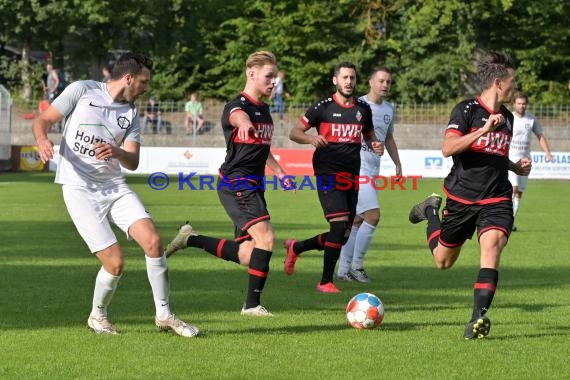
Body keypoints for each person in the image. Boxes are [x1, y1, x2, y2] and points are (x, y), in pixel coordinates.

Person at [32, 52, 199, 337]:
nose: (146, 88)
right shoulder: (82, 90)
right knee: (116, 263)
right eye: (144, 82)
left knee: (154, 242)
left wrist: (118, 151)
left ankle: (164, 315)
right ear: (129, 78)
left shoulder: (131, 114)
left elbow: (132, 161)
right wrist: (42, 138)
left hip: (114, 187)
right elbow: (43, 120)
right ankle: (98, 316)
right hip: (79, 190)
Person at [407, 51, 532, 339]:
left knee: (492, 248)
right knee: (442, 261)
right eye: (513, 81)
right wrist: (483, 129)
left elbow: (495, 154)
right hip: (462, 197)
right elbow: (448, 148)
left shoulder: (509, 118)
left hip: (497, 197)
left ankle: (478, 319)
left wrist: (515, 166)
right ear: (499, 83)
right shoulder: (467, 110)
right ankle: (429, 210)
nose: (516, 87)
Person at [164, 51, 293, 316]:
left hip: (253, 185)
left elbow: (262, 148)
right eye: (269, 77)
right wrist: (243, 123)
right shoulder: (238, 106)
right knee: (267, 238)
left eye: (275, 78)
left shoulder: (264, 110)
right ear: (251, 74)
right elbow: (237, 116)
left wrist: (280, 172)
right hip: (237, 184)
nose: (273, 83)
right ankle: (252, 305)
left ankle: (191, 238)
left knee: (248, 254)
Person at [283, 62, 384, 293]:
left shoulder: (362, 108)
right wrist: (311, 139)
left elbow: (369, 134)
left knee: (344, 234)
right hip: (327, 172)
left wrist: (375, 144)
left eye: (352, 78)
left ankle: (296, 247)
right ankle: (325, 282)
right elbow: (294, 132)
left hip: (351, 174)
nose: (349, 82)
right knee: (338, 226)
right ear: (335, 80)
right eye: (345, 78)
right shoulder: (322, 107)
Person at [337, 67, 401, 283]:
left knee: (356, 221)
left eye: (389, 82)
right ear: (371, 82)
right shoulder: (357, 104)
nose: (385, 85)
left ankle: (343, 270)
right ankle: (357, 266)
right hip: (356, 168)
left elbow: (388, 138)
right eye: (381, 81)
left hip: (373, 169)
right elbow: (349, 133)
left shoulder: (389, 109)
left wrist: (397, 164)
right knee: (373, 215)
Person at [508, 92, 553, 231]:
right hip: (511, 158)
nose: (521, 106)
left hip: (526, 159)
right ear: (514, 104)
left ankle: (511, 222)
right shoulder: (509, 117)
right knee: (512, 188)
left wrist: (548, 153)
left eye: (523, 103)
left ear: (526, 104)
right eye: (519, 103)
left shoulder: (531, 119)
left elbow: (540, 135)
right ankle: (506, 221)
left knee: (519, 192)